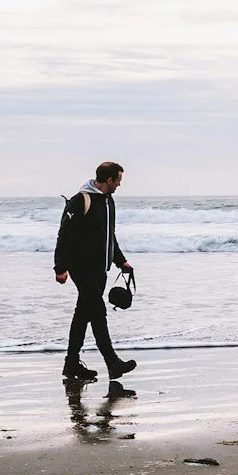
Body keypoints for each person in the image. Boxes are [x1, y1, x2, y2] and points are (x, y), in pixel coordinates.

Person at [54, 160, 135, 383]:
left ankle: (71, 364)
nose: (120, 184)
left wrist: (120, 261)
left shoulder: (109, 202)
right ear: (109, 180)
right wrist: (60, 267)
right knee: (98, 312)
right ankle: (113, 363)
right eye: (118, 180)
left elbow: (110, 234)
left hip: (100, 268)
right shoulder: (81, 200)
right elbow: (65, 234)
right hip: (81, 267)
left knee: (83, 314)